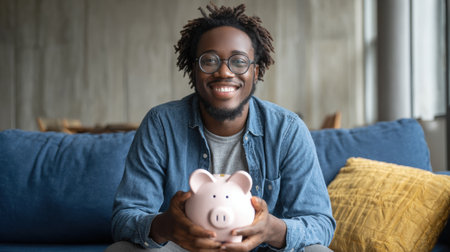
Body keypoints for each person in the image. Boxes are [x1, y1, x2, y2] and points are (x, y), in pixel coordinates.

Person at [107, 3, 335, 252]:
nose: (224, 72)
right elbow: (124, 219)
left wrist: (271, 229)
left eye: (238, 61)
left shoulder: (287, 130)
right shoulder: (161, 124)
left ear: (256, 71)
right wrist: (166, 226)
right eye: (209, 60)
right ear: (193, 71)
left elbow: (321, 224)